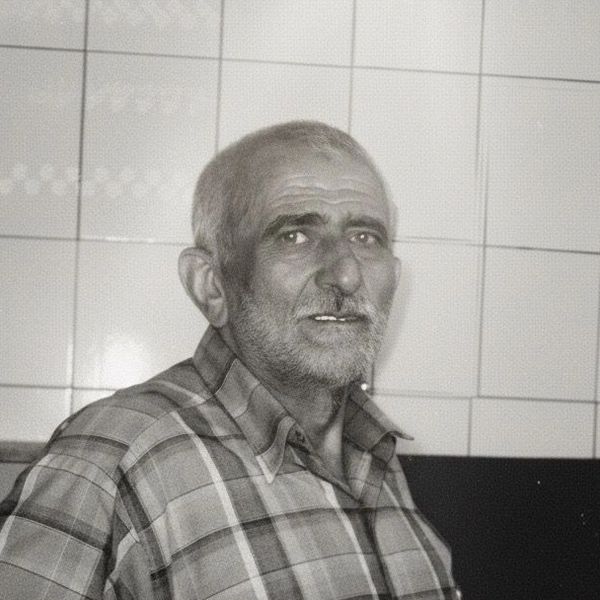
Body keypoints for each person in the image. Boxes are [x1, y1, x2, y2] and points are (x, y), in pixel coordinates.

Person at [0, 121, 460, 599]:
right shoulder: (111, 460)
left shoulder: (377, 459)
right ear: (211, 284)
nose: (346, 275)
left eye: (366, 238)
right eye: (295, 236)